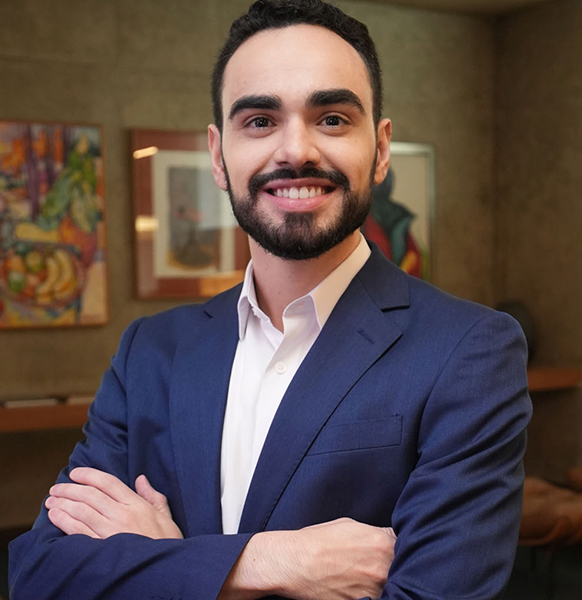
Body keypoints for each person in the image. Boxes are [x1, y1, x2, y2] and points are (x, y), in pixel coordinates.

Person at [8, 1, 532, 598]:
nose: (296, 150)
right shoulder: (150, 352)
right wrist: (262, 564)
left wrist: (164, 562)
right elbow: (40, 575)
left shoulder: (468, 351)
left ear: (381, 148)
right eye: (259, 121)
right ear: (218, 155)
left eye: (332, 119)